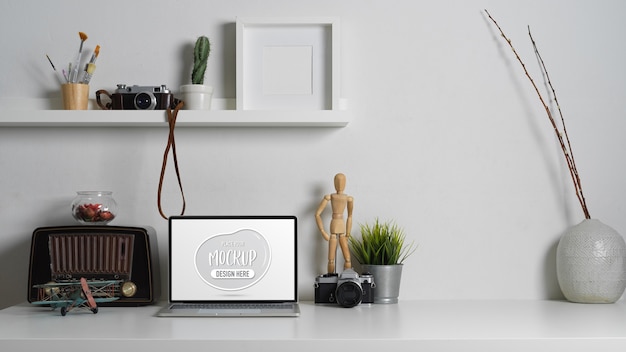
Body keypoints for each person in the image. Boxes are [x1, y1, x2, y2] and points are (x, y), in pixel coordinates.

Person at [315, 173, 354, 274]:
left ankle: (347, 278)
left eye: (342, 181)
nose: (340, 184)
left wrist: (348, 234)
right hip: (334, 227)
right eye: (338, 181)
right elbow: (317, 214)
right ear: (334, 183)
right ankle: (330, 279)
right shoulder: (329, 197)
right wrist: (322, 231)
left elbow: (350, 216)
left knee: (347, 258)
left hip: (342, 229)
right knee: (331, 259)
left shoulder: (348, 199)